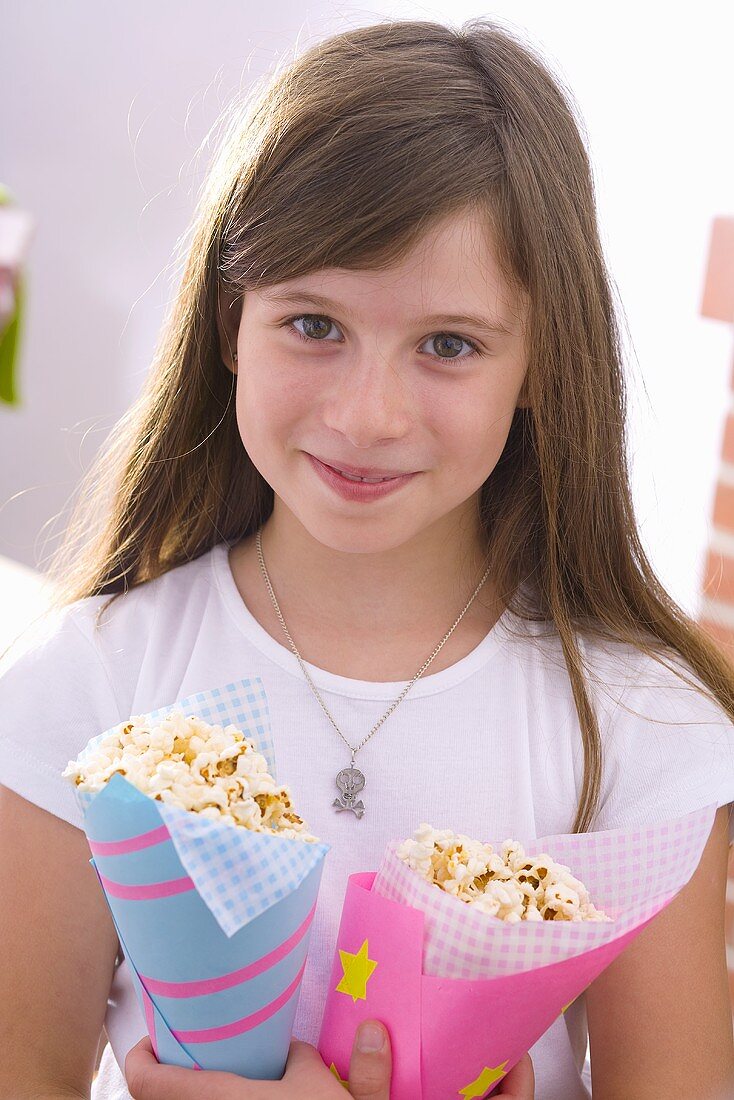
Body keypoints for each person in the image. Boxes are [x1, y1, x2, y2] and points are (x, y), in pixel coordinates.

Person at [1, 14, 733, 1100]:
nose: (366, 412)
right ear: (228, 323)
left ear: (540, 364)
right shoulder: (92, 680)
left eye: (447, 344)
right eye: (312, 324)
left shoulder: (637, 722)